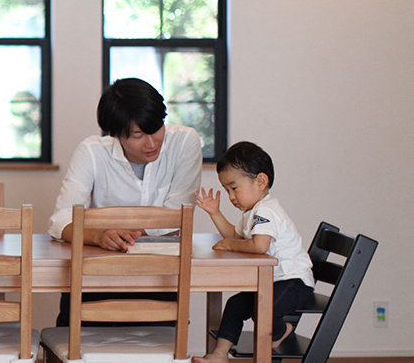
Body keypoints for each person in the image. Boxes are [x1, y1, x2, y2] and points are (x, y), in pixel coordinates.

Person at [47, 77, 203, 326]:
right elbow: (60, 221)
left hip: (160, 275)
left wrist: (121, 231)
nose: (151, 143)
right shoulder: (92, 152)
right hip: (96, 275)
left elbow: (178, 216)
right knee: (73, 331)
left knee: (161, 341)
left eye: (156, 129)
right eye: (138, 135)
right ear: (116, 134)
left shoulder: (185, 142)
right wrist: (99, 236)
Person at [193, 141, 315, 363]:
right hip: (272, 281)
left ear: (260, 181)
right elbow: (235, 235)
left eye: (234, 188)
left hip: (293, 281)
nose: (231, 196)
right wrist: (215, 213)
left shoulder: (266, 210)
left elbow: (259, 246)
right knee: (234, 305)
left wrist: (230, 246)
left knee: (263, 311)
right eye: (226, 190)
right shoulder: (253, 212)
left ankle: (283, 330)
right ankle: (219, 354)